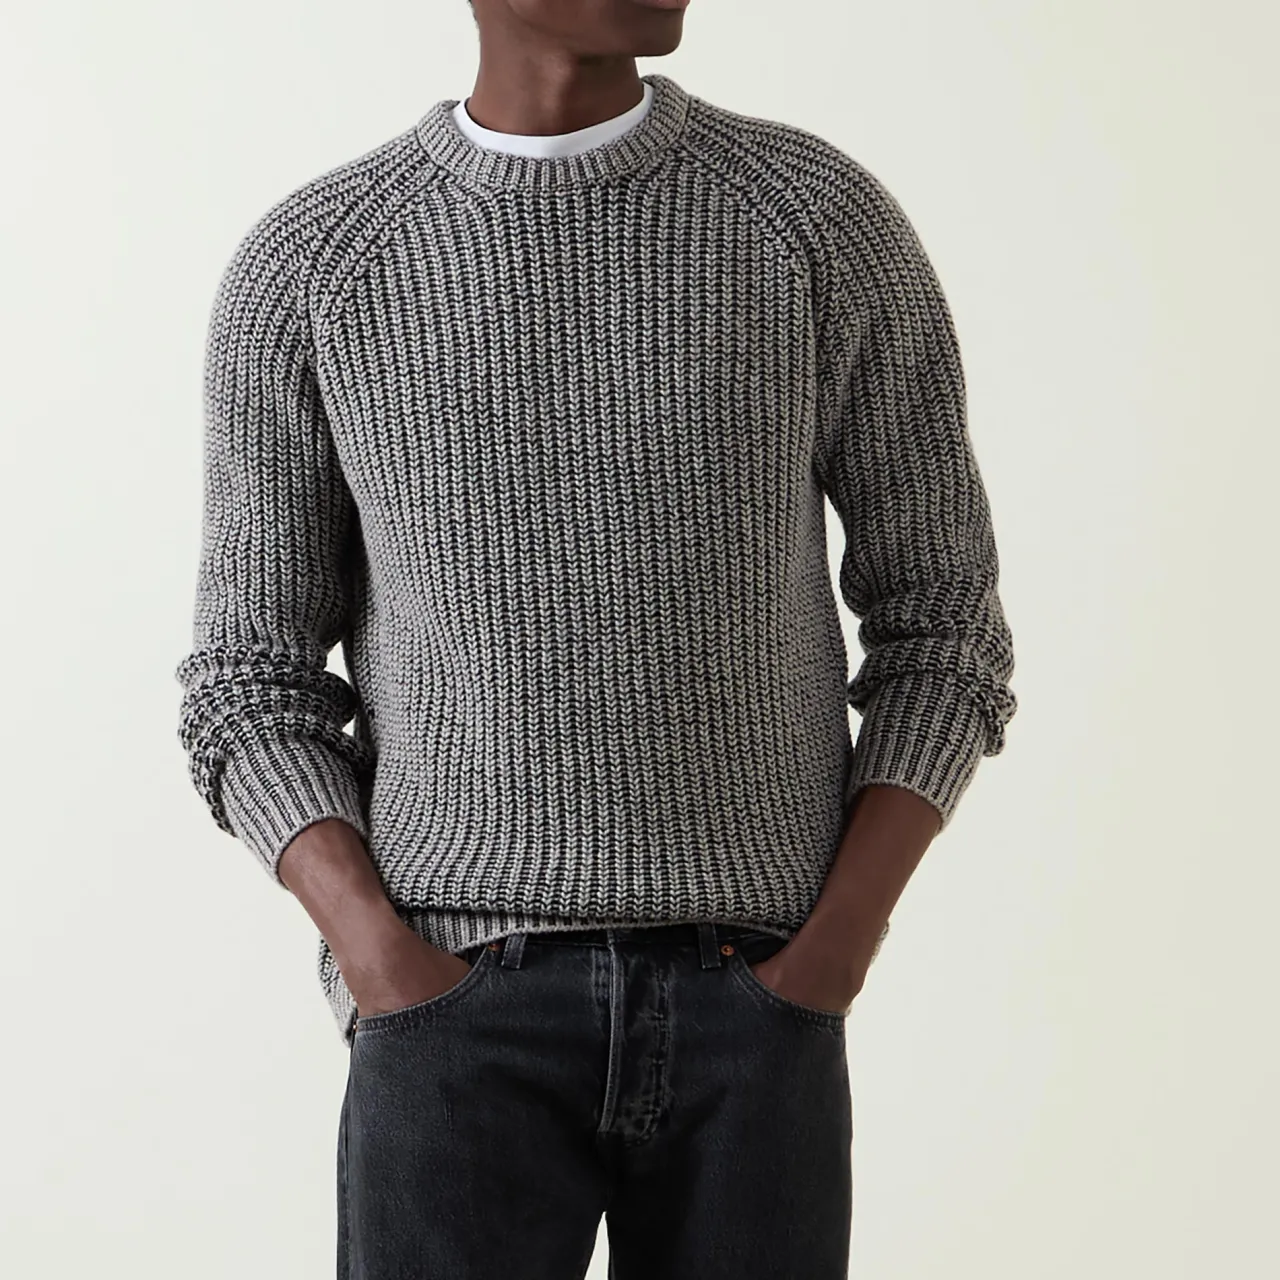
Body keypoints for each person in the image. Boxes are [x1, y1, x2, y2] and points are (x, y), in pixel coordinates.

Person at [174, 0, 1017, 1274]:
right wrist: (379, 958)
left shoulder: (812, 223)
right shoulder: (317, 264)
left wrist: (834, 950)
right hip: (451, 1009)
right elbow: (247, 682)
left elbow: (944, 627)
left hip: (757, 1005)